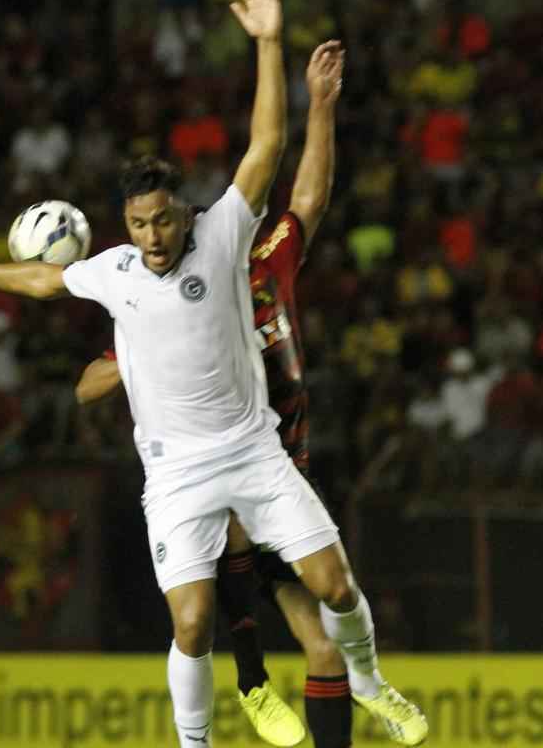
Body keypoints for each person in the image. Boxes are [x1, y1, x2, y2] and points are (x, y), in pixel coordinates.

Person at [0, 0, 426, 748]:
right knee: (194, 616)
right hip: (181, 474)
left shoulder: (237, 244)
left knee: (334, 595)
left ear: (187, 216)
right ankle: (229, 707)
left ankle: (363, 682)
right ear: (126, 223)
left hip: (262, 453)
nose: (152, 236)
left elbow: (277, 162)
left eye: (164, 221)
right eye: (139, 223)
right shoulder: (117, 277)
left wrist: (277, 52)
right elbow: (47, 286)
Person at [77, 40, 350, 748]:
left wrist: (321, 107)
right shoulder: (169, 304)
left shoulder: (265, 263)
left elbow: (308, 199)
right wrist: (134, 360)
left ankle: (281, 691)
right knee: (223, 540)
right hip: (213, 469)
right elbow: (89, 382)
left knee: (325, 642)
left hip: (280, 464)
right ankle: (252, 679)